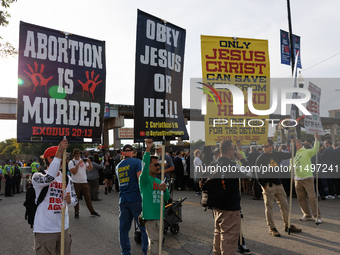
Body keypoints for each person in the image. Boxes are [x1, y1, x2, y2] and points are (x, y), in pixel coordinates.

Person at [200, 139, 248, 255]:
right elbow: (250, 172)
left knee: (218, 235)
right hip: (230, 209)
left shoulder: (213, 164)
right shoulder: (232, 165)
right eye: (234, 149)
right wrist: (242, 158)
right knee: (229, 241)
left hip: (217, 207)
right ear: (230, 151)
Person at [32, 139, 77, 255]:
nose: (64, 161)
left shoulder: (67, 178)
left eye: (64, 158)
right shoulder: (37, 176)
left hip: (63, 228)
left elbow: (74, 200)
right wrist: (59, 152)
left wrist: (69, 200)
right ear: (50, 159)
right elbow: (49, 178)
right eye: (62, 157)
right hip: (45, 229)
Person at [255, 139, 301, 237]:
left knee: (285, 205)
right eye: (263, 146)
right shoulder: (260, 158)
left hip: (278, 185)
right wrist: (264, 186)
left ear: (271, 146)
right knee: (269, 208)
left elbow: (292, 154)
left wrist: (293, 143)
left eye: (266, 146)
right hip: (268, 186)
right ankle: (272, 228)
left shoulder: (277, 154)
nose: (264, 148)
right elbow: (257, 174)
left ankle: (288, 225)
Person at [116, 144, 148, 255]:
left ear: (122, 153)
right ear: (132, 152)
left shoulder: (118, 166)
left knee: (123, 230)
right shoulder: (137, 162)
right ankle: (146, 252)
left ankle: (125, 253)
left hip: (123, 200)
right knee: (144, 228)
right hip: (136, 199)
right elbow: (140, 179)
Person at [139, 139, 170, 255]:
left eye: (159, 164)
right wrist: (148, 148)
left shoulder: (159, 180)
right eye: (155, 165)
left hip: (160, 217)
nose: (158, 167)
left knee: (157, 243)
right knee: (154, 244)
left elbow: (166, 197)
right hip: (151, 218)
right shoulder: (144, 180)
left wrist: (164, 188)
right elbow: (145, 165)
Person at [291, 135, 322, 223]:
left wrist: (316, 139)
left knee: (312, 197)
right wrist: (290, 168)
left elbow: (315, 149)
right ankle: (307, 215)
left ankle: (317, 216)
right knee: (301, 198)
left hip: (307, 177)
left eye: (293, 144)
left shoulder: (306, 151)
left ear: (298, 144)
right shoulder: (293, 153)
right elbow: (291, 162)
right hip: (297, 179)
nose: (291, 146)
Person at [69, 148, 100, 219]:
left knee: (88, 198)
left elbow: (90, 169)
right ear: (74, 155)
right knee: (76, 198)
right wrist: (78, 164)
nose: (78, 155)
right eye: (77, 154)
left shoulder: (83, 161)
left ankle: (92, 211)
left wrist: (89, 162)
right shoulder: (72, 162)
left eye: (79, 153)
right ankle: (76, 212)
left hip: (84, 182)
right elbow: (73, 172)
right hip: (76, 182)